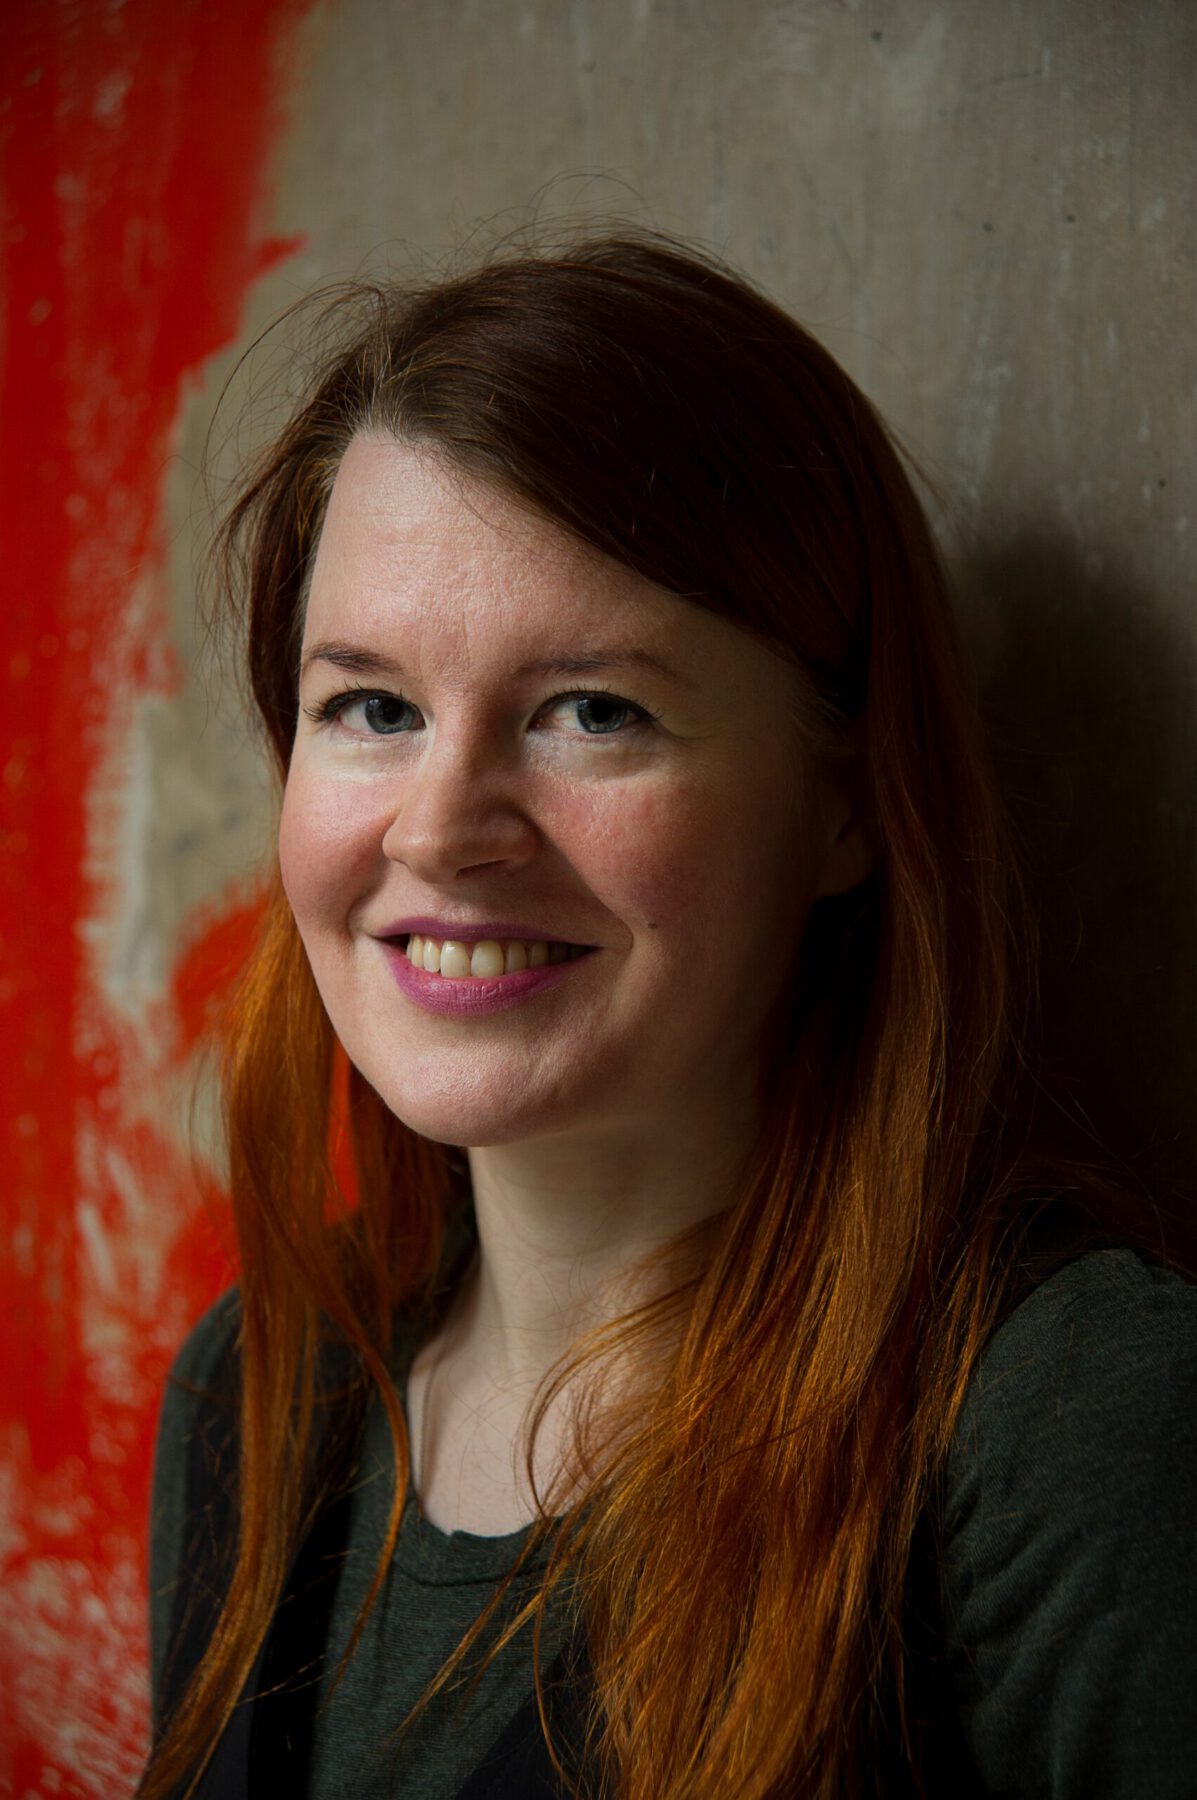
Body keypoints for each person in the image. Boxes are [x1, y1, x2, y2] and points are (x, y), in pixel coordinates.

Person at [139, 232, 1197, 1800]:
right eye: (372, 707)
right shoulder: (257, 1392)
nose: (440, 829)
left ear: (846, 799)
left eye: (593, 710)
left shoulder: (1067, 1431)